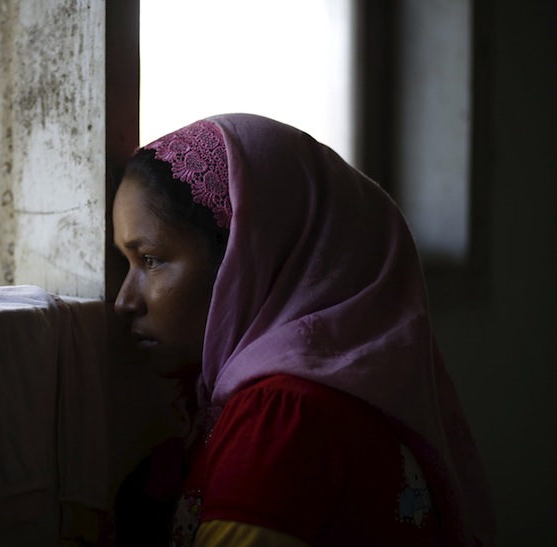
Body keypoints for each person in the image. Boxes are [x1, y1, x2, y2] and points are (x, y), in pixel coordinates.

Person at [111, 114, 495, 546]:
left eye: (151, 260)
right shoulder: (339, 394)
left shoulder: (282, 416)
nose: (124, 301)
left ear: (244, 260)